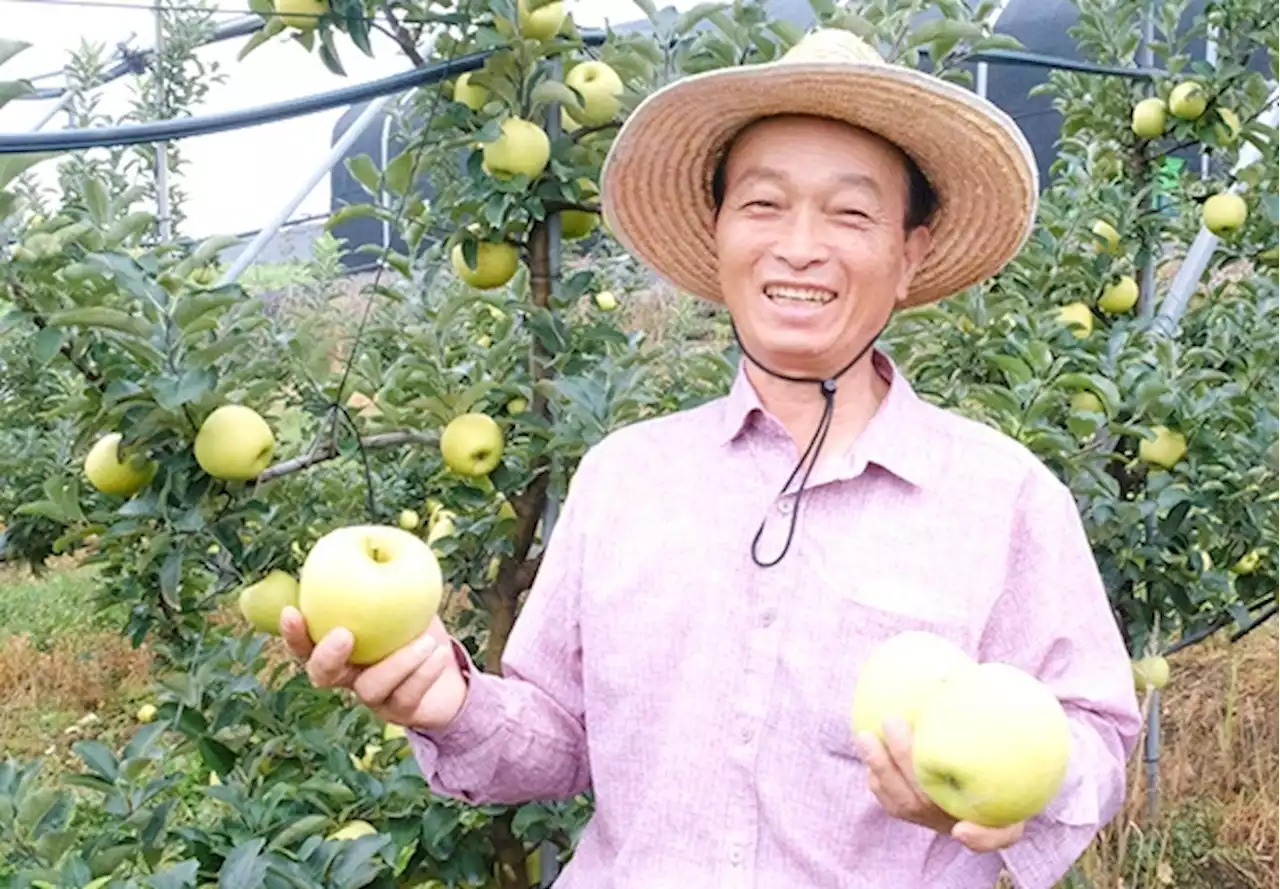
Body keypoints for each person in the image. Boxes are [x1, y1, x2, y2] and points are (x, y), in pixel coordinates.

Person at [281, 27, 1143, 889]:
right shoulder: (626, 478)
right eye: (763, 204)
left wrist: (1007, 791)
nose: (800, 245)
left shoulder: (1000, 497)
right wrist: (450, 705)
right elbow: (560, 740)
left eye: (850, 212)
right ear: (719, 229)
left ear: (911, 252)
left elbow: (1099, 738)